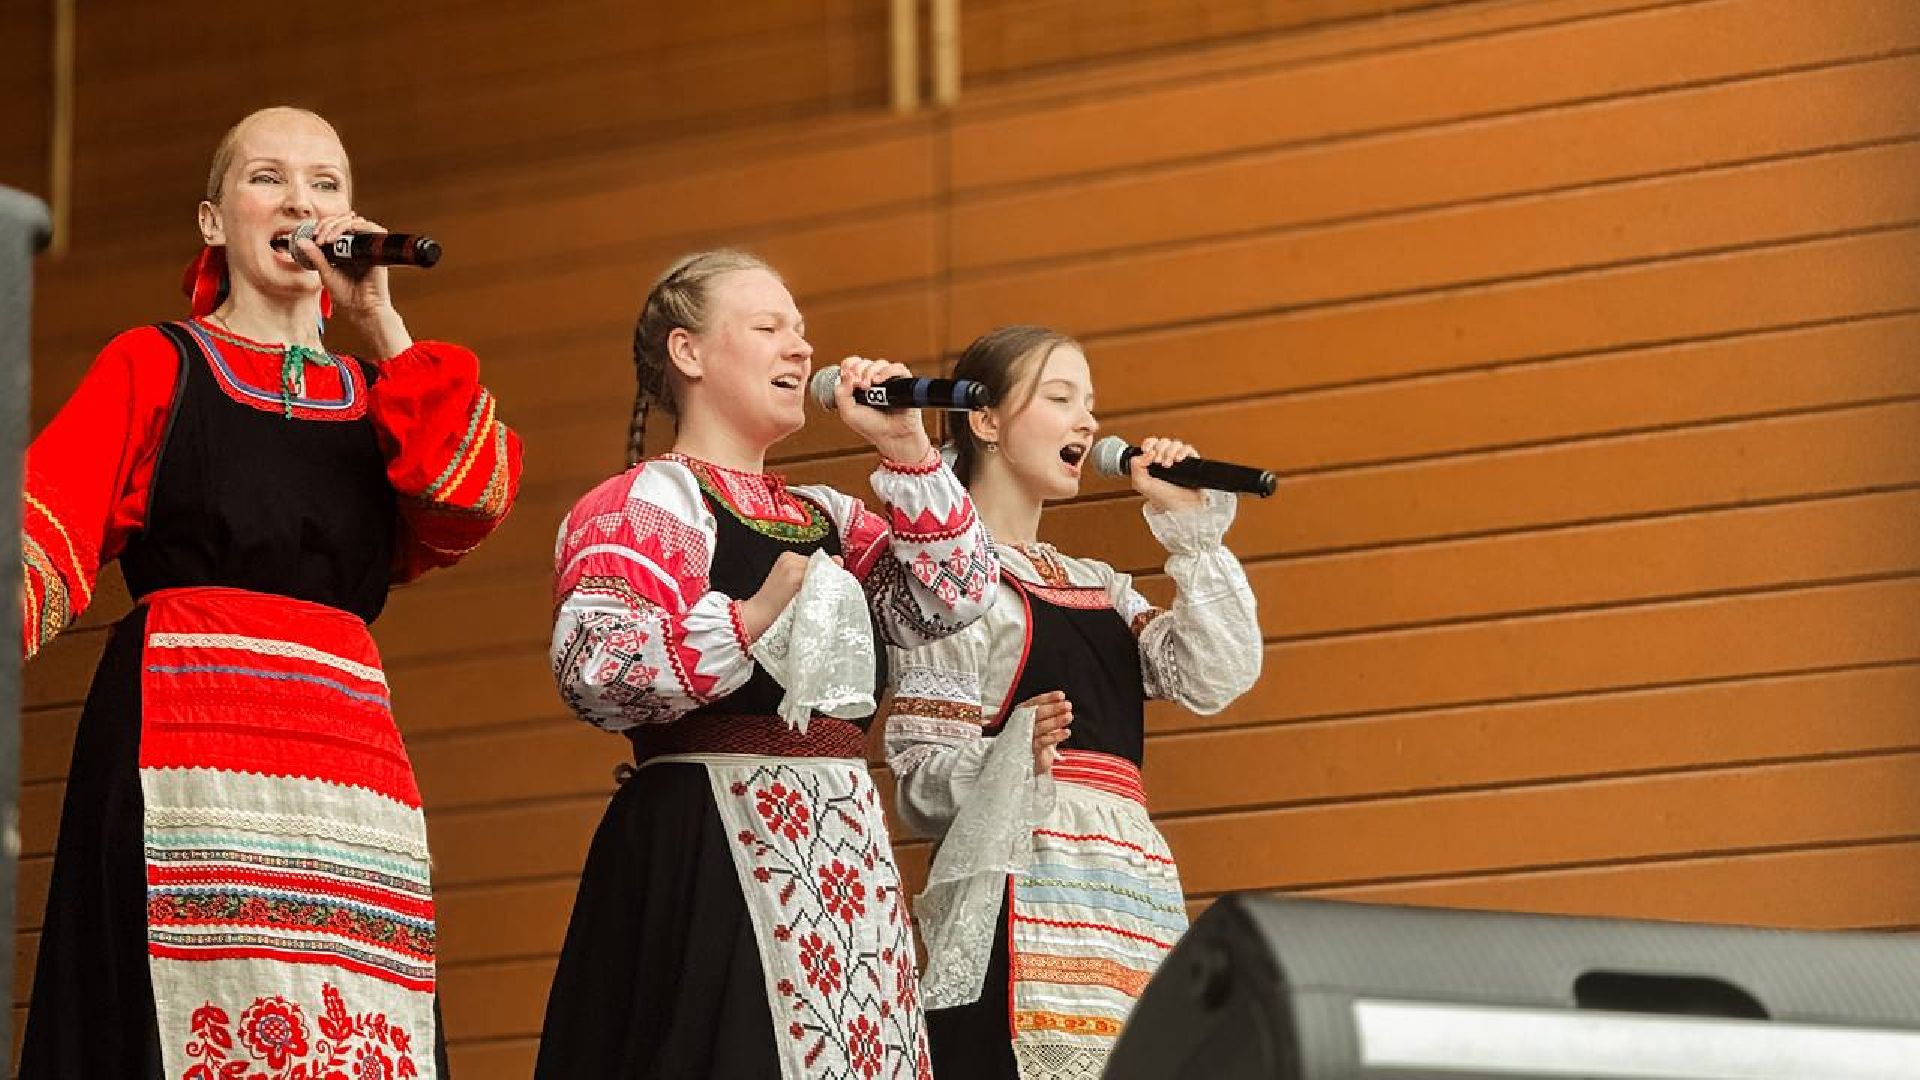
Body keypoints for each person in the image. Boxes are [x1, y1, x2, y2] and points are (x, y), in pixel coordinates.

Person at [18, 106, 523, 1079]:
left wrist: (378, 317)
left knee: (359, 1032)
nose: (302, 200)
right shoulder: (155, 362)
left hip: (344, 776)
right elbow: (41, 535)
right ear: (213, 221)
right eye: (269, 178)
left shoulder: (381, 393)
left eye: (327, 183)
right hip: (180, 751)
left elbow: (470, 499)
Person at [535, 249, 998, 1080]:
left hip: (844, 847)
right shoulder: (649, 502)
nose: (801, 348)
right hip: (713, 838)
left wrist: (905, 448)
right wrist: (746, 621)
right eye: (769, 327)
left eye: (803, 330)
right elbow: (593, 666)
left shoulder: (826, 516)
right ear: (689, 354)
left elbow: (955, 596)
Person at [882, 325, 1262, 1079]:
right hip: (1024, 901)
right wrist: (1009, 755)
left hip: (1124, 897)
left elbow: (1217, 673)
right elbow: (917, 786)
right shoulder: (955, 591)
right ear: (984, 422)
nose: (1088, 422)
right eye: (1060, 399)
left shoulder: (1101, 584)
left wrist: (1192, 535)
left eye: (1090, 404)